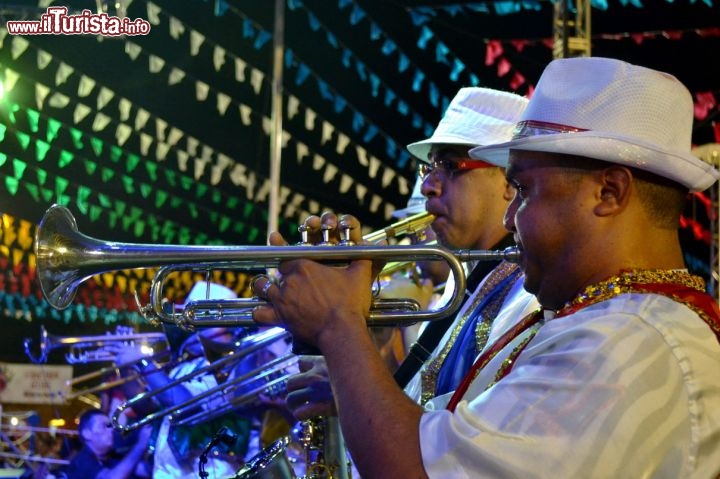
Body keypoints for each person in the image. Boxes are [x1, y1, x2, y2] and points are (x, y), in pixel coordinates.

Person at [251, 57, 720, 478]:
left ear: (609, 192)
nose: (509, 217)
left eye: (525, 190)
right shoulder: (599, 319)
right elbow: (453, 434)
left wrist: (339, 324)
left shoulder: (628, 337)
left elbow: (418, 469)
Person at [62, 409, 151, 479]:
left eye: (109, 426)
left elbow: (144, 471)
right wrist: (140, 446)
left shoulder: (111, 455)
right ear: (87, 434)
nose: (111, 429)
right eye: (103, 426)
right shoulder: (81, 461)